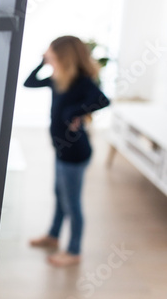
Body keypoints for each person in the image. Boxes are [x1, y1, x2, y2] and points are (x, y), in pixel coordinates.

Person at [24, 36, 110, 267]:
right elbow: (28, 83)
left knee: (72, 202)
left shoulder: (81, 81)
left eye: (51, 52)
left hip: (75, 152)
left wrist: (75, 111)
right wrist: (42, 63)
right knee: (59, 195)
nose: (48, 54)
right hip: (62, 150)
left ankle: (74, 251)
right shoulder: (58, 78)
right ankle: (53, 236)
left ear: (62, 55)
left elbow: (103, 100)